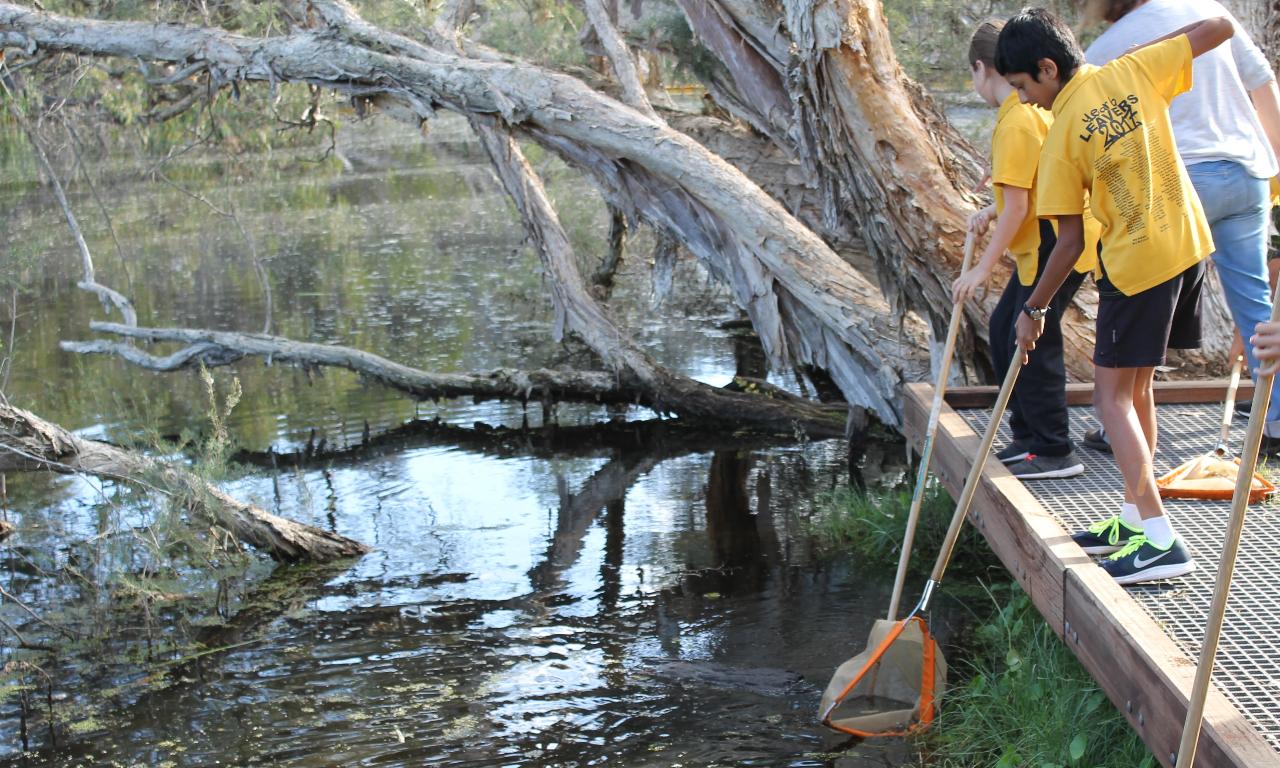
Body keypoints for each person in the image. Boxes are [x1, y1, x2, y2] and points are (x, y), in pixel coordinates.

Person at [996, 8, 1233, 585]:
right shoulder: (1132, 70)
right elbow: (1221, 24)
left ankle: (1160, 539)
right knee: (1138, 389)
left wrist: (1034, 310)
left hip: (1136, 265)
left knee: (1109, 402)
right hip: (1187, 245)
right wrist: (1150, 52)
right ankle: (1133, 516)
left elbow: (1068, 243)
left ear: (1048, 69)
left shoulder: (1060, 140)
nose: (1027, 102)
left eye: (1026, 88)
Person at [1082, 0, 1280, 456]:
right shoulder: (1206, 7)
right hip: (1247, 171)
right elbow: (1261, 81)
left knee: (1144, 297)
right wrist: (1274, 163)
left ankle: (1120, 424)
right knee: (1256, 306)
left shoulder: (1105, 49)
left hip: (1175, 182)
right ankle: (1276, 422)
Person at [954, 19, 1096, 480]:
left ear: (980, 68)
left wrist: (981, 268)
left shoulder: (1016, 118)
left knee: (1033, 333)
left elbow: (1018, 207)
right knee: (1003, 326)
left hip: (1055, 237)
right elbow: (1023, 189)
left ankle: (1054, 447)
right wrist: (991, 209)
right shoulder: (1028, 112)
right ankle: (1028, 437)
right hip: (1053, 231)